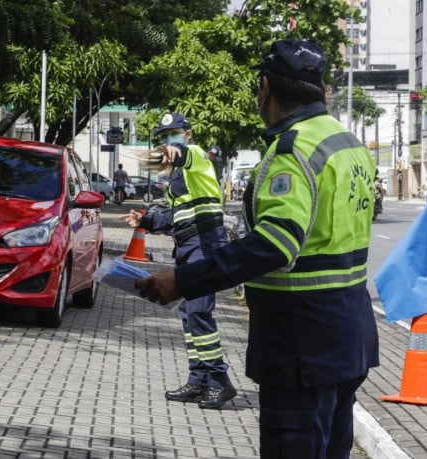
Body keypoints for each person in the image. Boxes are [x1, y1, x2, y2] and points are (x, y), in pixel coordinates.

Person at [134, 39, 380, 457]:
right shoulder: (347, 143)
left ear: (264, 87)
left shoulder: (292, 150)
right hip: (348, 336)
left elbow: (273, 245)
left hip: (300, 343)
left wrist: (184, 281)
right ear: (320, 89)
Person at [120, 112, 236, 409]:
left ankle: (219, 381)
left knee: (198, 311)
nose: (166, 140)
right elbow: (174, 216)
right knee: (188, 312)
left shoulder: (196, 156)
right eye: (163, 136)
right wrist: (144, 219)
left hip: (205, 242)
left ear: (187, 134)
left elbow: (186, 154)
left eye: (173, 134)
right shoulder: (176, 178)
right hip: (186, 245)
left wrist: (177, 151)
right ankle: (199, 380)